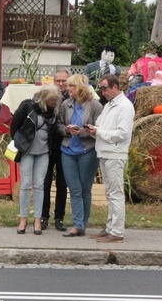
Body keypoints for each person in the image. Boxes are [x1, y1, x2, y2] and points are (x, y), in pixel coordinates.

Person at [84, 73, 134, 243]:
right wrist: (92, 130)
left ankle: (117, 231)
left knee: (116, 193)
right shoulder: (109, 105)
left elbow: (122, 133)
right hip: (105, 152)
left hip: (115, 153)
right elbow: (103, 127)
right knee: (110, 193)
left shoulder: (125, 106)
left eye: (105, 88)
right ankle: (110, 227)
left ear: (115, 87)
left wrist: (99, 132)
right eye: (101, 88)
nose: (102, 91)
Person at [10, 84, 60, 235]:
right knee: (25, 184)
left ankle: (37, 219)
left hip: (44, 152)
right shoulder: (28, 106)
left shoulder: (54, 112)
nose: (54, 102)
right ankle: (23, 218)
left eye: (55, 100)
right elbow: (14, 126)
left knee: (39, 185)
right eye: (51, 100)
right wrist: (20, 142)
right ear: (44, 98)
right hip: (27, 151)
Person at [57, 74, 103, 237]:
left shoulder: (95, 106)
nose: (68, 89)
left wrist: (82, 132)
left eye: (72, 86)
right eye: (68, 86)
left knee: (85, 189)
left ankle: (82, 224)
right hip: (68, 151)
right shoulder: (65, 104)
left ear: (81, 88)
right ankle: (78, 225)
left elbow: (99, 129)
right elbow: (59, 125)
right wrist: (67, 130)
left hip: (88, 151)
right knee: (74, 188)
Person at [41, 68, 70, 231]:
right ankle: (43, 216)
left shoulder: (71, 99)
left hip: (64, 146)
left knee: (62, 184)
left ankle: (59, 217)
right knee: (44, 183)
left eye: (63, 81)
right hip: (46, 147)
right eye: (58, 81)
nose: (61, 84)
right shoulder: (47, 98)